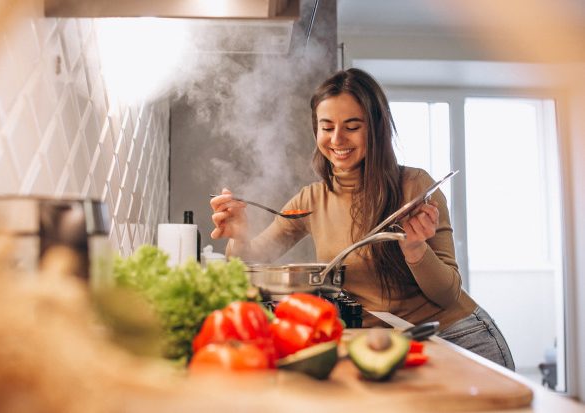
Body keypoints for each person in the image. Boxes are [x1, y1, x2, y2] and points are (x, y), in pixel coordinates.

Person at [209, 68, 515, 370]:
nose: (337, 139)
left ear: (376, 128)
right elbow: (251, 260)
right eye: (326, 127)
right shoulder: (311, 200)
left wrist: (416, 250)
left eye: (352, 126)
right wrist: (239, 234)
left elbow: (448, 294)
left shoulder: (415, 186)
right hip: (385, 345)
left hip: (455, 337)